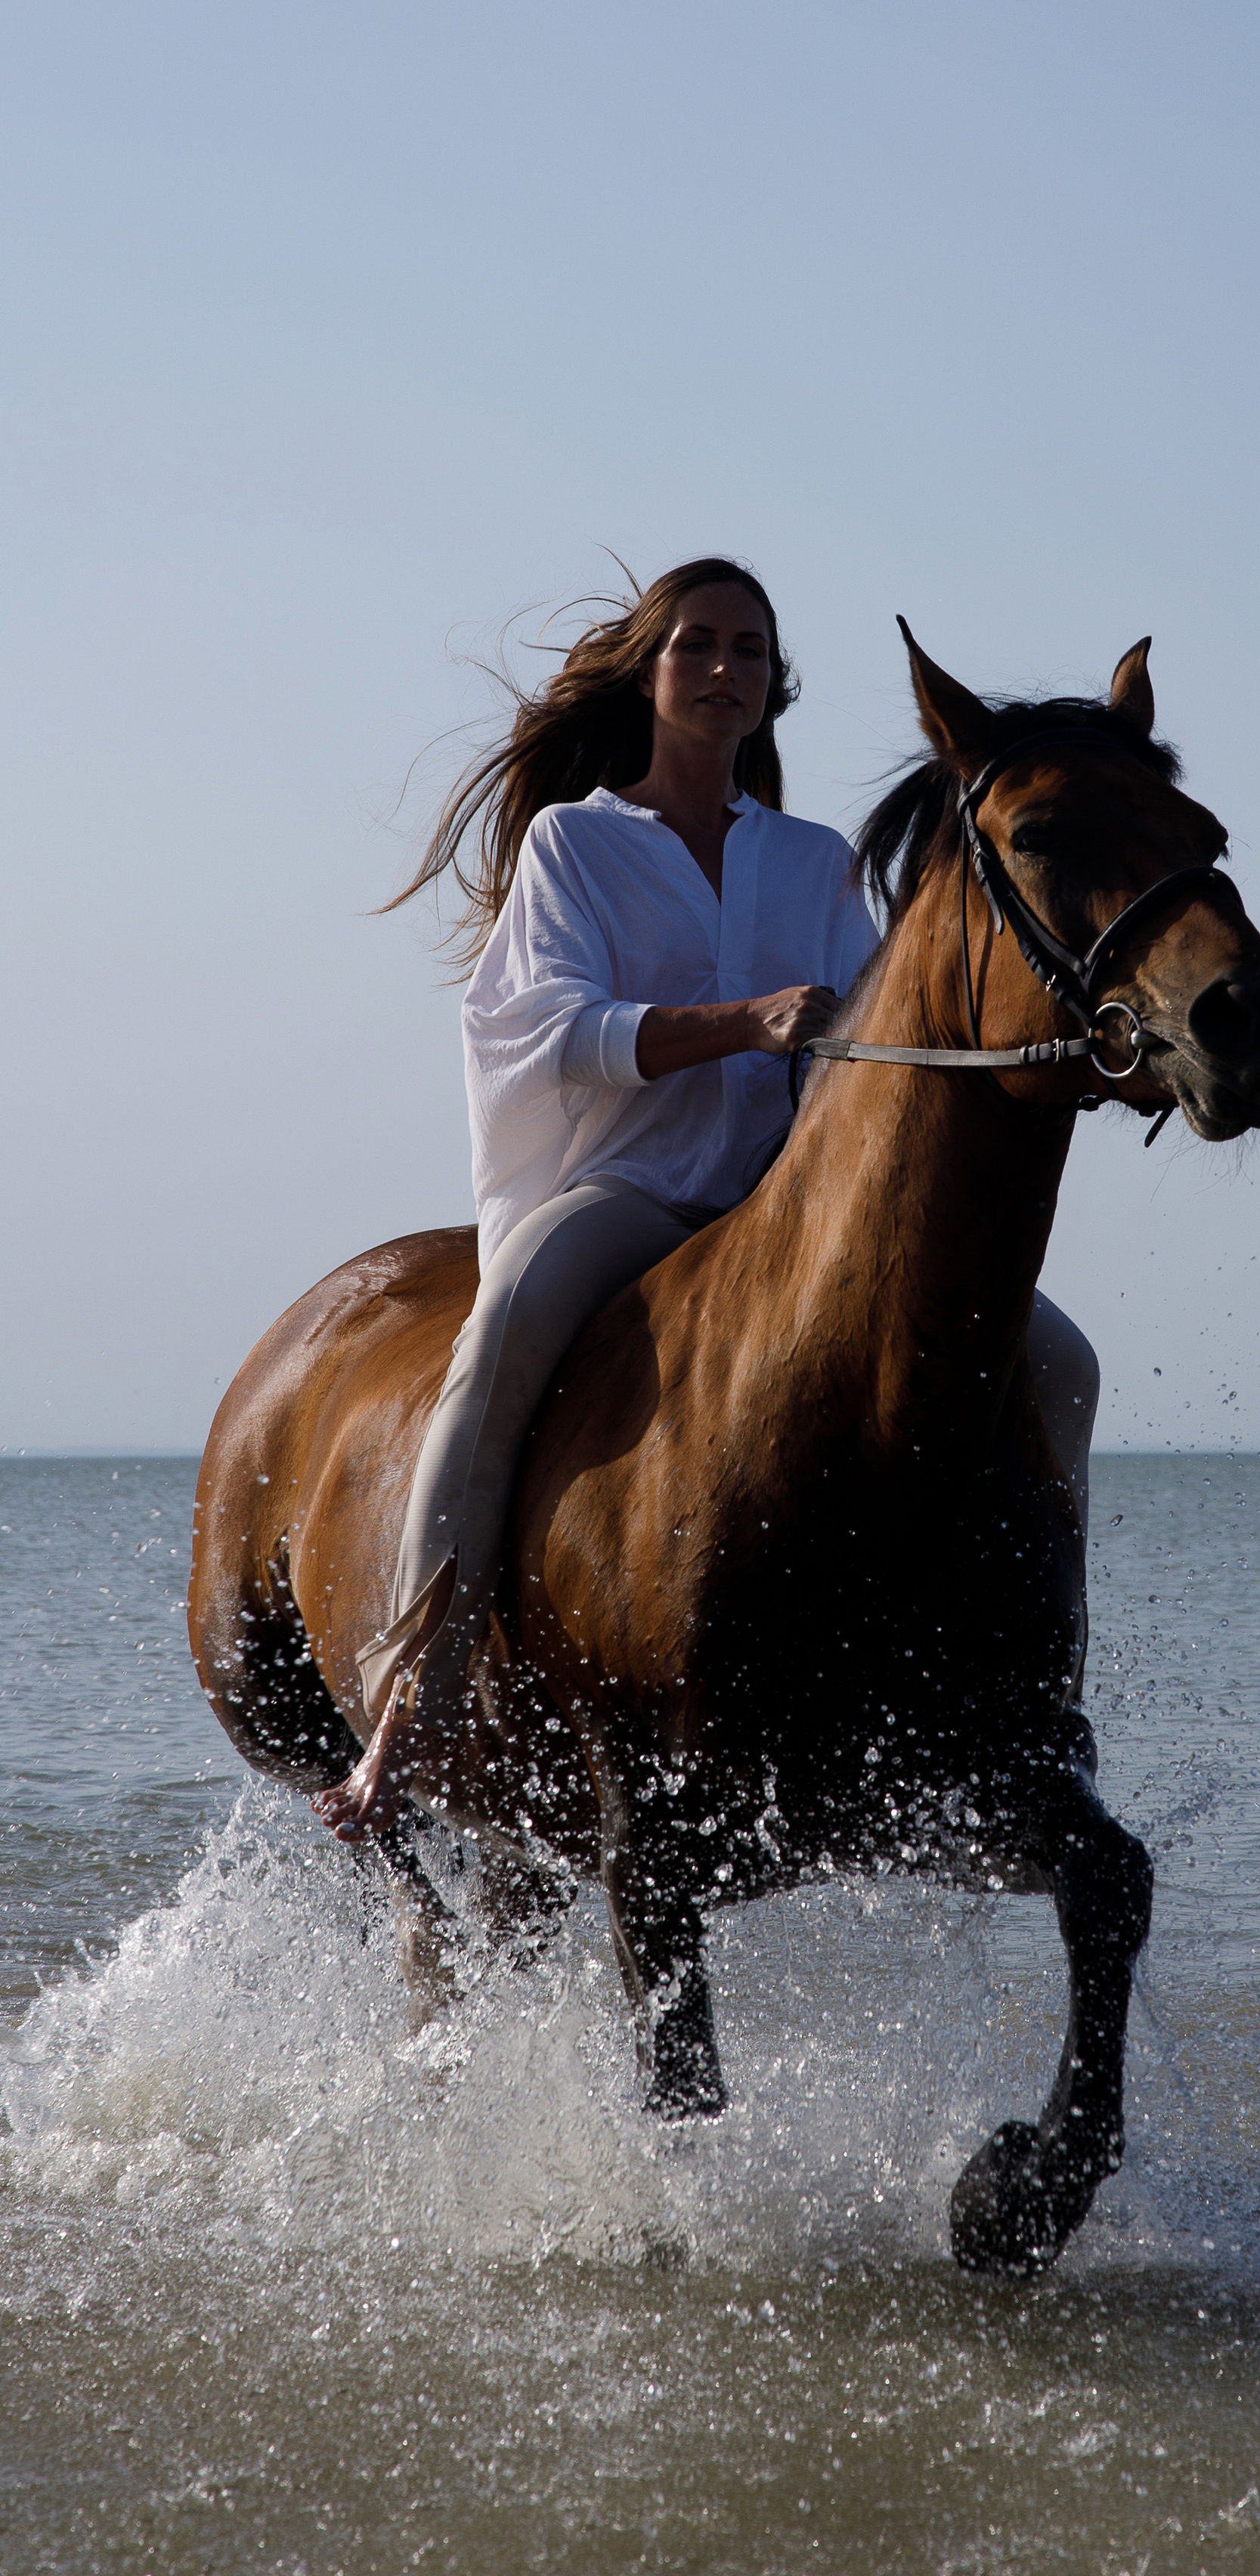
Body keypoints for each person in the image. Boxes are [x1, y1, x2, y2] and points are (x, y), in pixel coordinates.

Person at [314, 559, 1097, 1841]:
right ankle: (418, 1705)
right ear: (651, 671)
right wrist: (747, 1022)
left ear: (772, 686)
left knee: (1060, 1365)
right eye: (698, 645)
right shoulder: (576, 842)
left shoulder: (817, 864)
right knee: (500, 1335)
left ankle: (1037, 1701)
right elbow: (550, 1035)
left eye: (748, 650)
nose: (725, 668)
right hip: (626, 1193)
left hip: (782, 1214)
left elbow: (874, 1056)